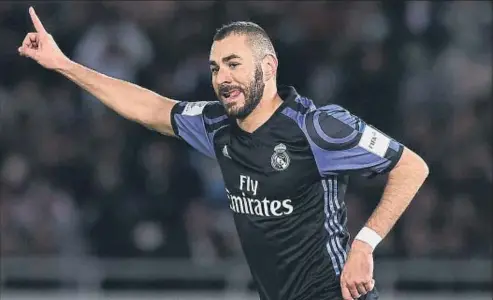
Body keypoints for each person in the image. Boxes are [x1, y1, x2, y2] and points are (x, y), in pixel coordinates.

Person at [19, 7, 429, 300]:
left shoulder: (318, 127)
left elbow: (411, 166)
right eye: (215, 68)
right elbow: (150, 107)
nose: (222, 78)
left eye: (233, 64)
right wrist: (64, 65)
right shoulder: (215, 125)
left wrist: (364, 245)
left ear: (268, 68)